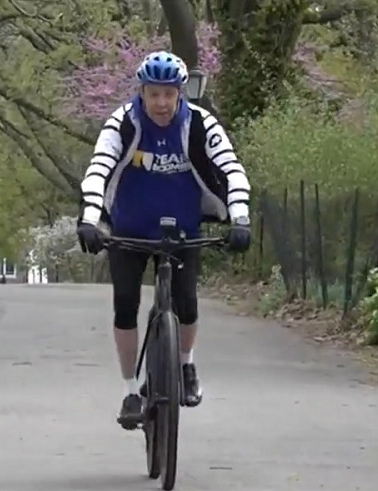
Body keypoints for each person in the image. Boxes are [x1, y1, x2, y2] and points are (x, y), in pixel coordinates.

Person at [74, 51, 253, 429]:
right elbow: (99, 168)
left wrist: (240, 218)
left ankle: (186, 365)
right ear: (141, 92)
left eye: (169, 94)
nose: (161, 103)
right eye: (153, 94)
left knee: (187, 304)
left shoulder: (201, 124)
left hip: (182, 228)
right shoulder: (122, 122)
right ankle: (130, 390)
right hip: (128, 228)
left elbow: (231, 168)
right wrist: (90, 218)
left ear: (180, 93)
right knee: (125, 303)